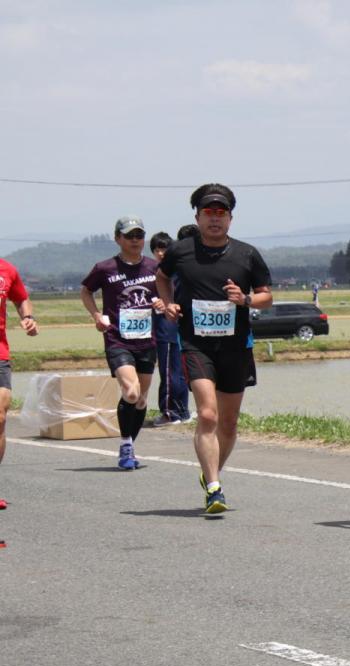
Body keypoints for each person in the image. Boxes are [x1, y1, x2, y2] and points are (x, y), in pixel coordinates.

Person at [156, 184, 272, 514]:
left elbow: (267, 296)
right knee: (208, 413)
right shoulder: (181, 251)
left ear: (231, 219)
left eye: (221, 213)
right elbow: (161, 278)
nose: (215, 219)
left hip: (236, 345)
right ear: (197, 216)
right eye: (209, 213)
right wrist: (169, 304)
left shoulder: (247, 254)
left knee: (229, 424)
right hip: (195, 343)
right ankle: (215, 489)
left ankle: (210, 474)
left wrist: (246, 298)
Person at [80, 216, 160, 469]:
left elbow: (165, 293)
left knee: (141, 399)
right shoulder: (105, 268)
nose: (135, 240)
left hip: (147, 339)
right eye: (129, 236)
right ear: (118, 239)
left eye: (139, 235)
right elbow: (85, 290)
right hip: (117, 338)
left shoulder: (154, 267)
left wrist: (161, 303)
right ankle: (125, 444)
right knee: (131, 391)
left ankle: (130, 447)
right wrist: (96, 315)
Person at [0, 257, 38, 510]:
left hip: (0, 353)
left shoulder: (7, 269)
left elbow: (21, 297)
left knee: (0, 416)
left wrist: (28, 316)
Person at [148, 231, 190, 426]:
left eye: (164, 248)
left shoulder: (172, 271)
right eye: (157, 249)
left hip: (171, 327)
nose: (161, 253)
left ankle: (171, 413)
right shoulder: (153, 271)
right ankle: (179, 412)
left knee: (173, 372)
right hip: (166, 327)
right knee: (173, 371)